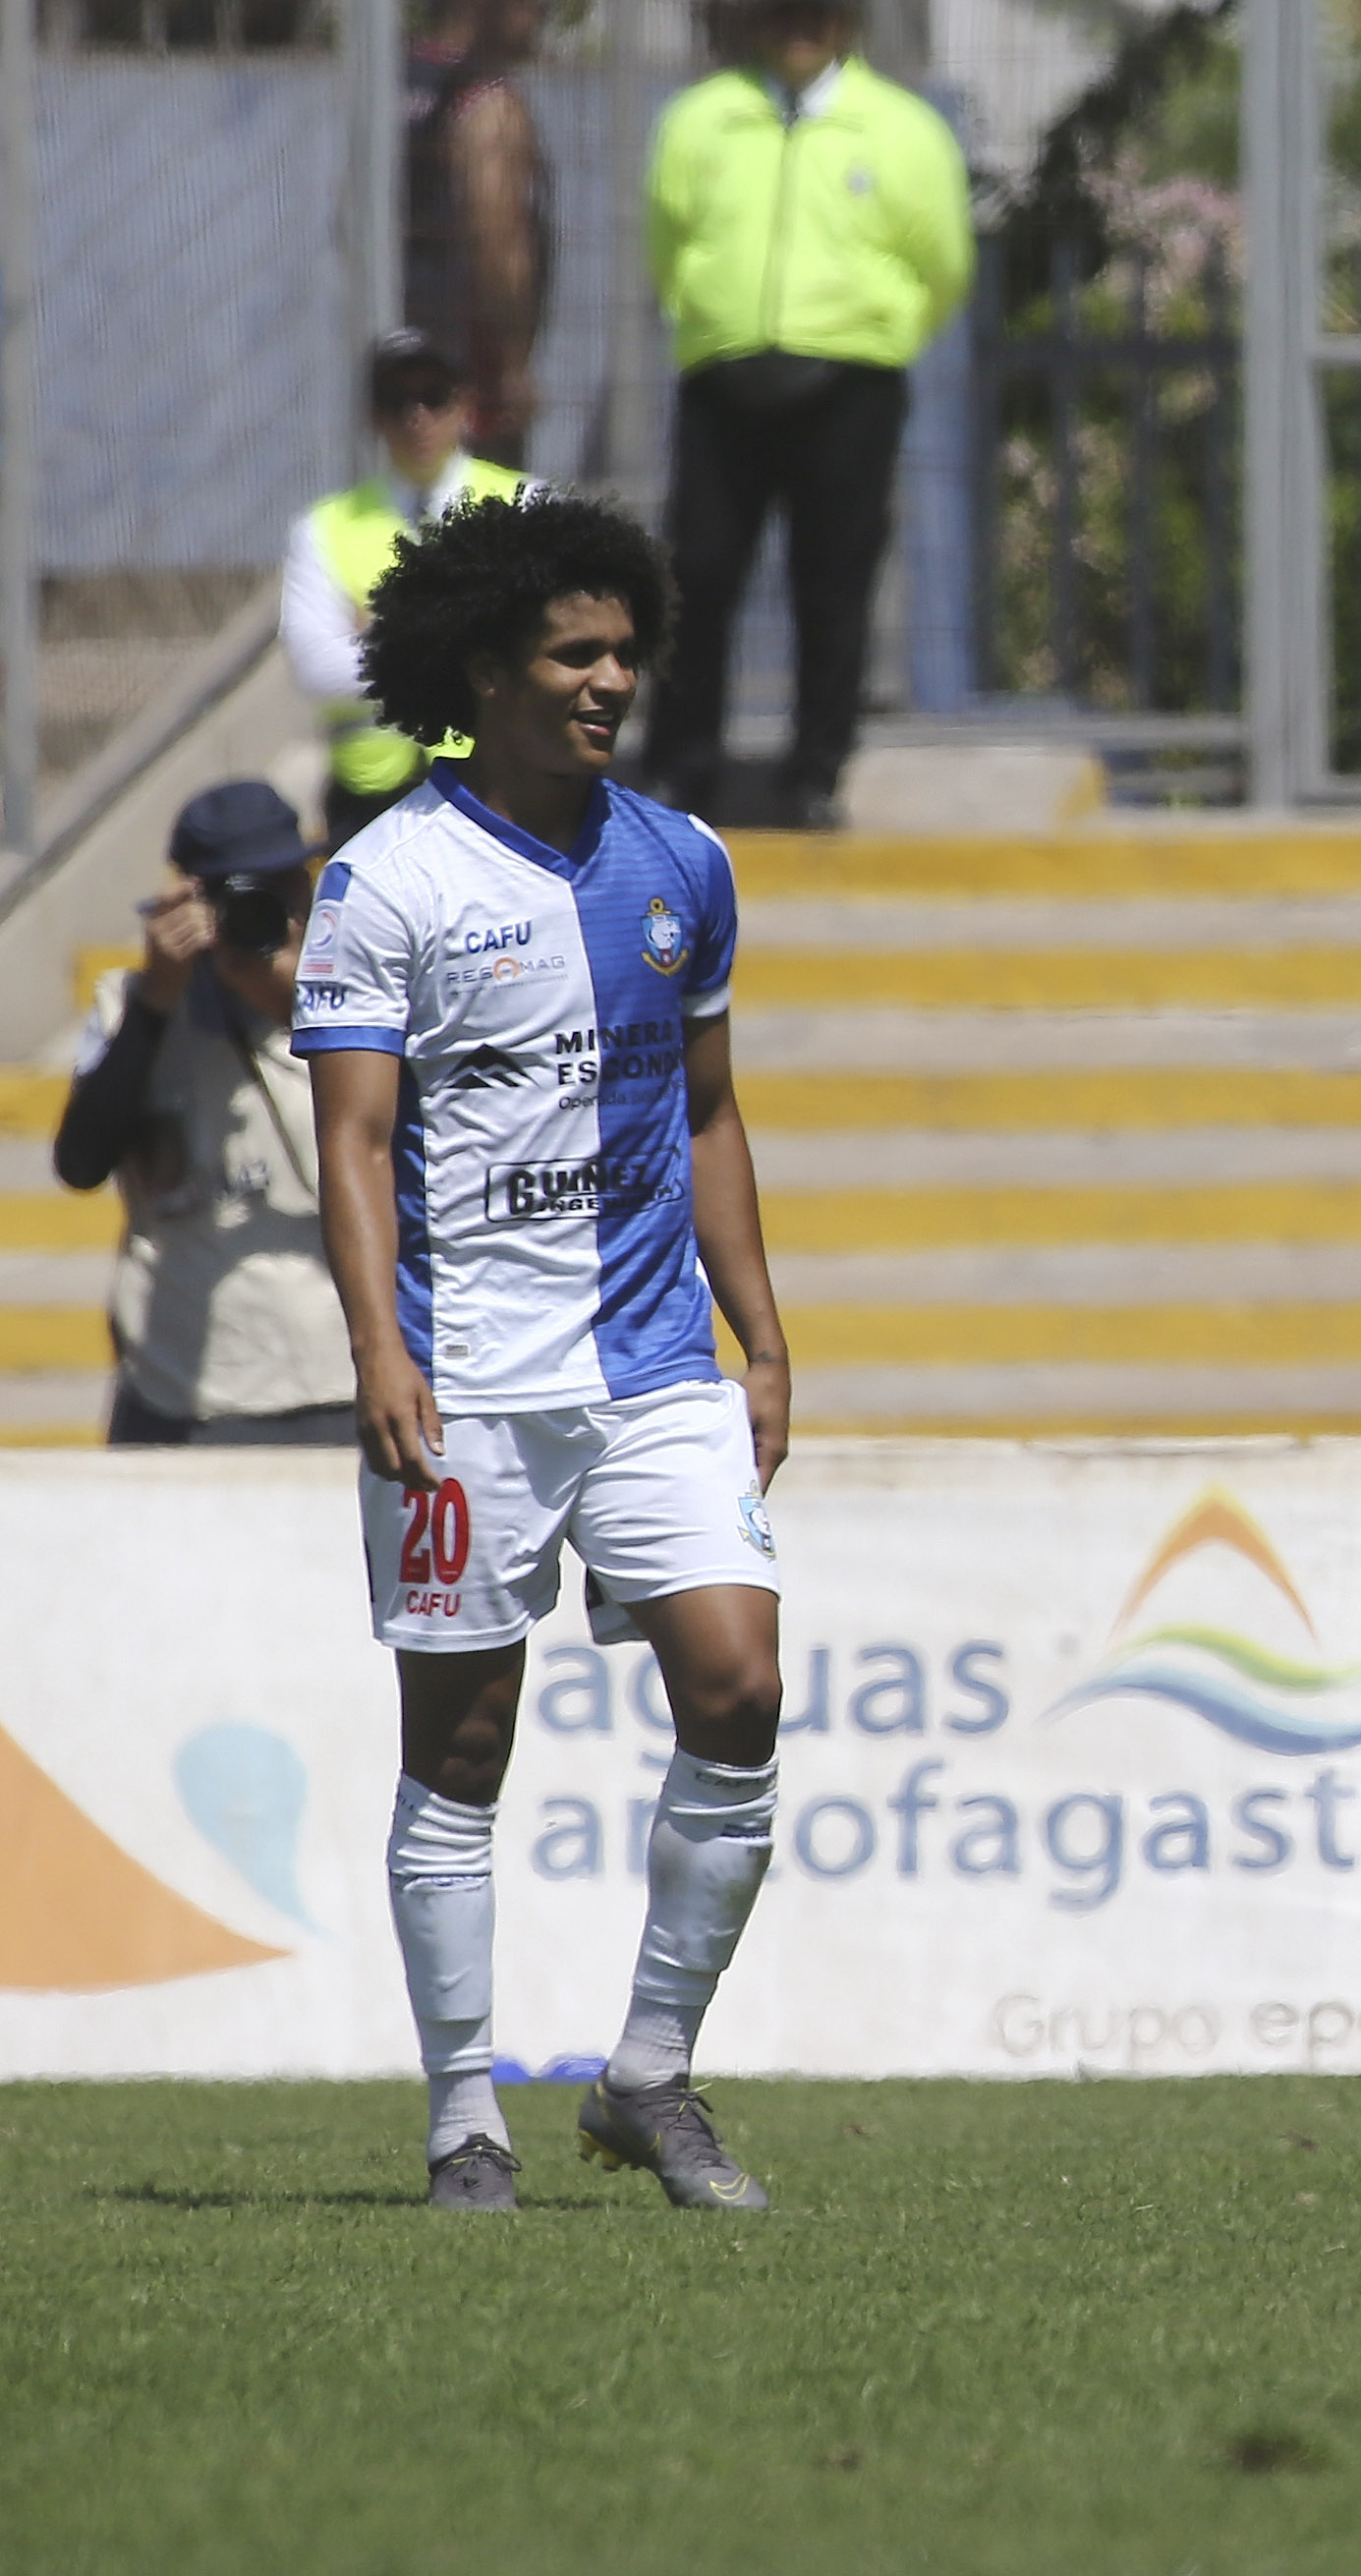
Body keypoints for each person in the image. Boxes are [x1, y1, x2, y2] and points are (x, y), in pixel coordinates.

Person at [295, 491, 796, 2214]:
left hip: (656, 1360)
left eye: (626, 651)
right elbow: (353, 1145)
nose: (611, 680)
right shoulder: (387, 883)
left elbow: (712, 1111)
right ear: (488, 665)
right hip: (467, 1379)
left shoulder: (684, 862)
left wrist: (767, 1335)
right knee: (462, 1745)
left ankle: (648, 2074)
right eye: (577, 651)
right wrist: (378, 1344)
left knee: (739, 1687)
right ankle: (462, 2117)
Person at [640, 0, 971, 830]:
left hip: (848, 381)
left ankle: (815, 770)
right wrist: (710, 315)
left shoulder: (899, 128)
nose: (800, 31)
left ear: (846, 24)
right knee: (698, 572)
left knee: (832, 579)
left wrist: (881, 328)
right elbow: (666, 240)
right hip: (725, 374)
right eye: (785, 14)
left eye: (816, 14)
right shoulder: (701, 121)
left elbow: (942, 259)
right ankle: (680, 766)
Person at [54, 780, 353, 1446]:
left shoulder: (357, 1001)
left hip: (342, 1378)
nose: (263, 914)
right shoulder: (130, 1004)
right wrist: (158, 1001)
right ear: (191, 899)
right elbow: (79, 1161)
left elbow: (413, 1138)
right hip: (184, 1391)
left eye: (282, 889)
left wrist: (296, 1002)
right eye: (239, 894)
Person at [283, 329, 530, 845]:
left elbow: (533, 646)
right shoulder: (324, 526)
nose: (416, 416)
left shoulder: (523, 505)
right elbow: (317, 669)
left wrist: (382, 631)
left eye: (433, 397)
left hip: (496, 789)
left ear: (463, 404)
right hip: (370, 802)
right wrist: (467, 633)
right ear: (374, 416)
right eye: (397, 402)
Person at [402, 0, 553, 469]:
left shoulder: (399, 85)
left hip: (399, 358)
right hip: (469, 374)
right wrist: (512, 366)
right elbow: (499, 237)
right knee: (484, 542)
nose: (540, 6)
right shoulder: (485, 99)